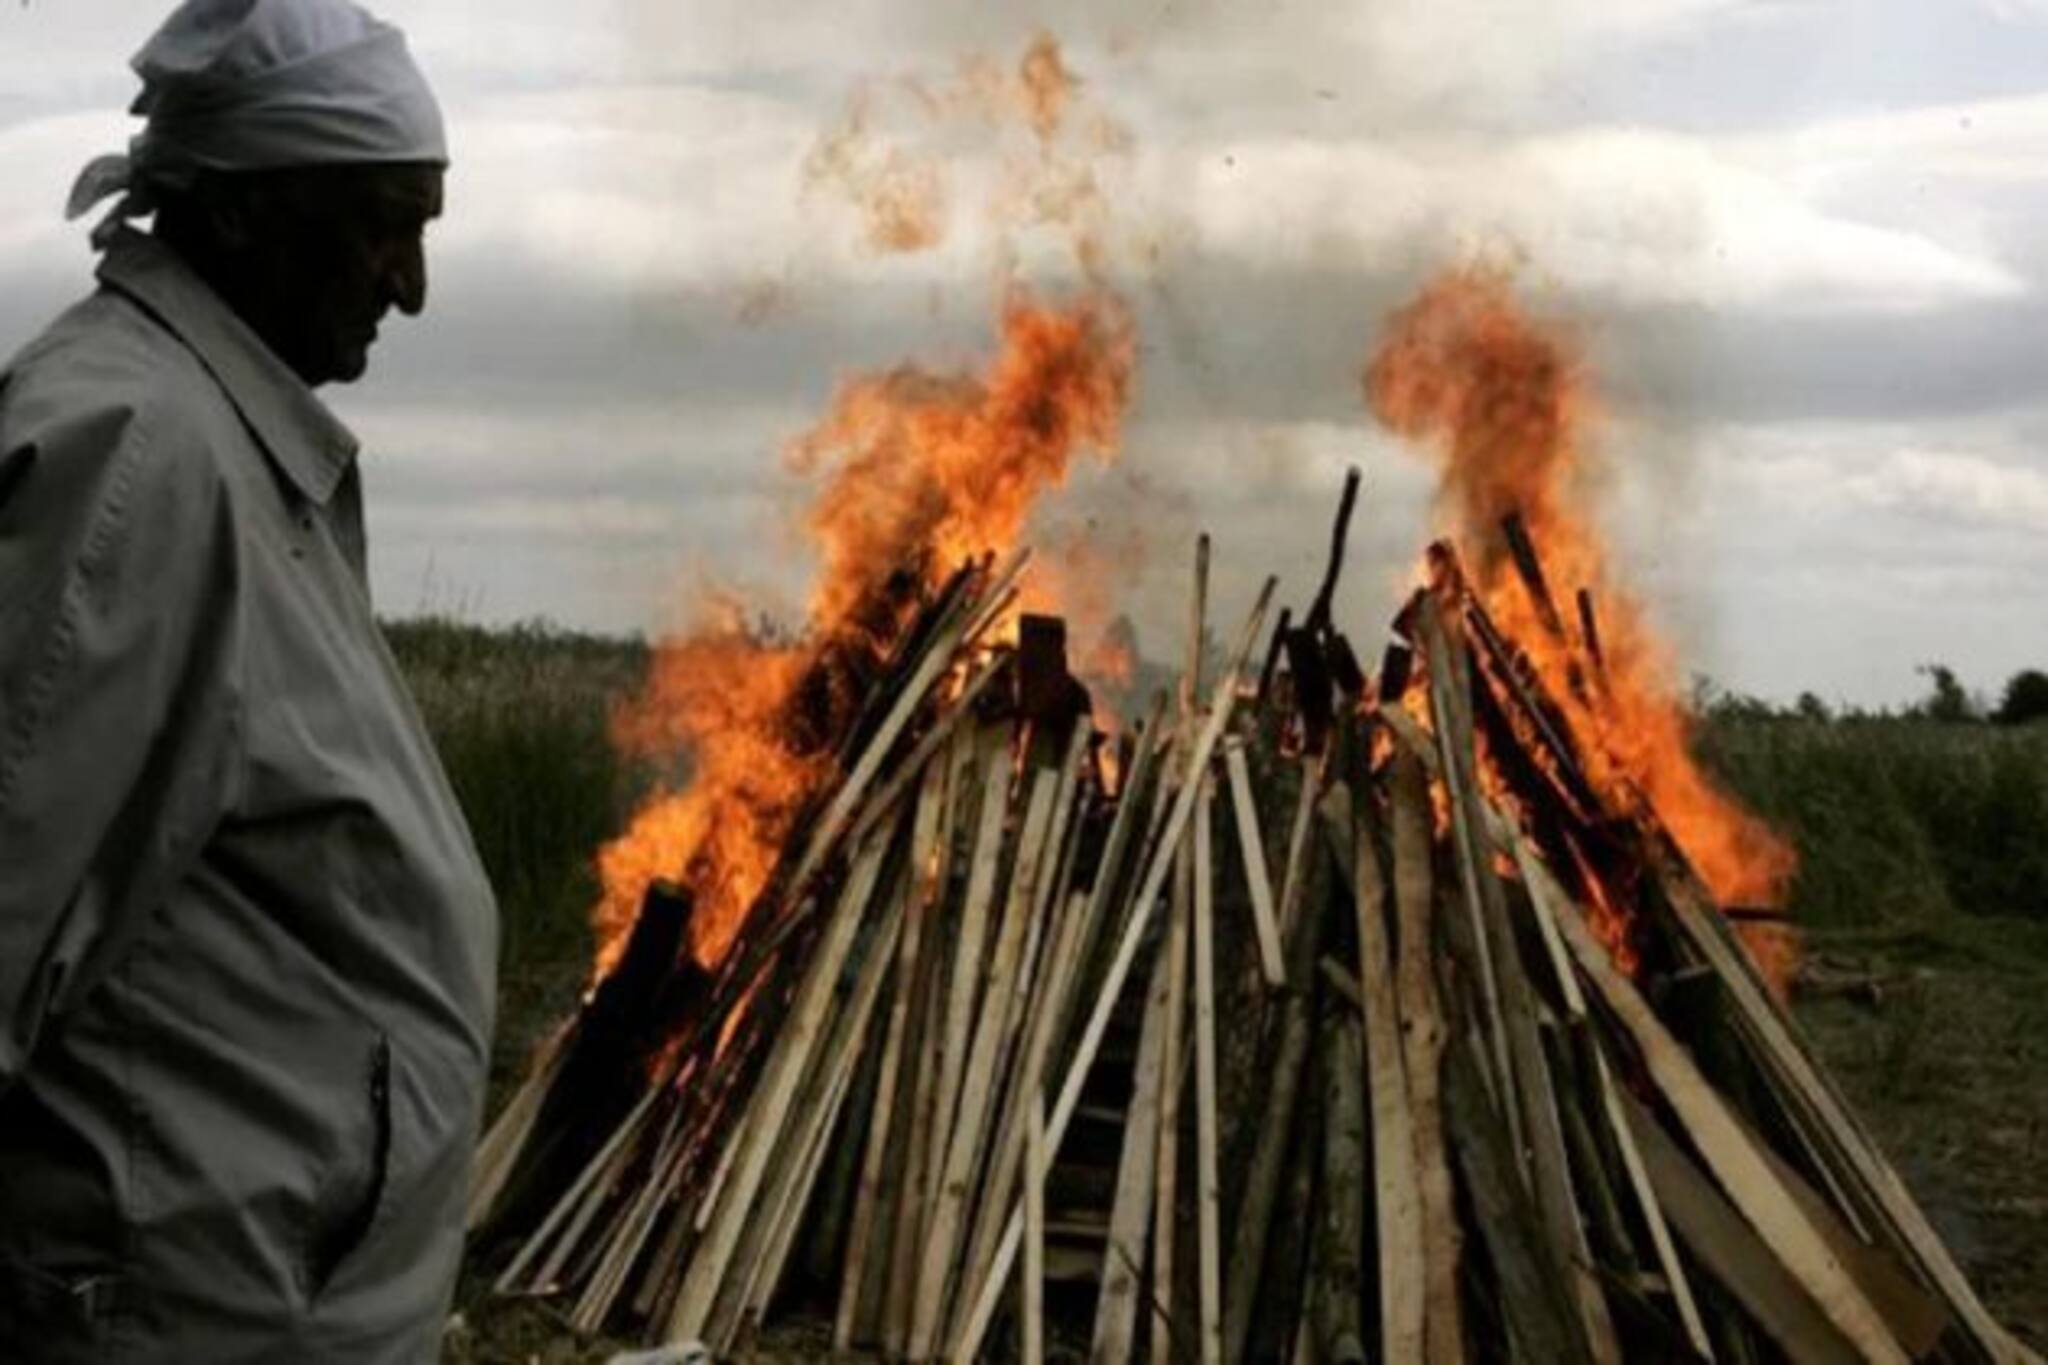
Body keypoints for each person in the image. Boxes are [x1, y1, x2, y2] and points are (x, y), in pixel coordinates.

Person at [0, 2, 498, 1361]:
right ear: (239, 215)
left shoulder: (221, 442)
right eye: (385, 222)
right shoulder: (133, 459)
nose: (410, 284)